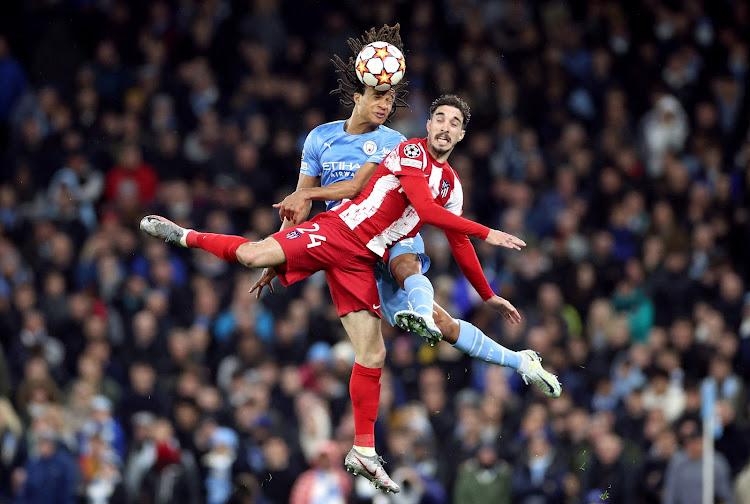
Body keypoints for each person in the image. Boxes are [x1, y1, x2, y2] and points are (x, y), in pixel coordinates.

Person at [140, 94, 560, 491]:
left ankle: (367, 447)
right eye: (440, 119)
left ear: (462, 135)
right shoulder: (410, 152)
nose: (446, 127)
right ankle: (184, 235)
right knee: (252, 255)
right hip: (339, 232)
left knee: (376, 353)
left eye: (456, 123)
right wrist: (491, 232)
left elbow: (457, 240)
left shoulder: (451, 185)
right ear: (428, 124)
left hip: (363, 259)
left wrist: (486, 294)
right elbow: (416, 208)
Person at [255, 24, 560, 393]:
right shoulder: (320, 137)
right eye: (380, 94)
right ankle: (520, 360)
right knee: (443, 327)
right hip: (349, 239)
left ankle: (420, 313)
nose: (386, 103)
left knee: (404, 262)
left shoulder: (399, 144)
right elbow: (299, 204)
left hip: (395, 234)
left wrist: (486, 292)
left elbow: (442, 226)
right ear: (359, 93)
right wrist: (283, 251)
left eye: (391, 97)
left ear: (461, 134)